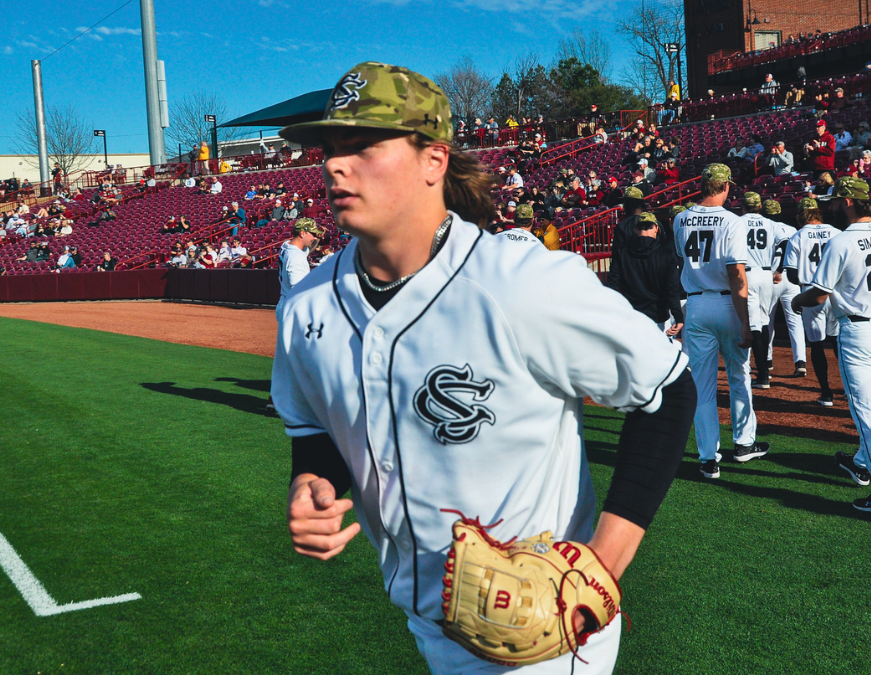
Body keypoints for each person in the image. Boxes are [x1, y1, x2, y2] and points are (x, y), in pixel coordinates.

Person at [273, 62, 695, 674]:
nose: (335, 165)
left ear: (433, 162)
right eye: (330, 149)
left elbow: (668, 387)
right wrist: (311, 484)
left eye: (363, 145)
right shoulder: (309, 305)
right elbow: (315, 426)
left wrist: (604, 561)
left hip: (543, 631)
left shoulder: (520, 284)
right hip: (424, 616)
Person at [792, 176, 871, 516]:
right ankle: (863, 462)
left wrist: (796, 302)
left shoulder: (843, 241)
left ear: (848, 202)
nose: (831, 205)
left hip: (859, 333)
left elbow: (818, 294)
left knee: (866, 413)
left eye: (835, 200)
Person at [674, 163, 768, 479]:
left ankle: (707, 458)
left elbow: (682, 259)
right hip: (728, 304)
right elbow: (736, 272)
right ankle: (743, 444)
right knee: (739, 374)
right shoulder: (732, 221)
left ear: (703, 185)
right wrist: (746, 321)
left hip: (697, 305)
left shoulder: (680, 218)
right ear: (725, 186)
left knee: (702, 383)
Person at [784, 195, 842, 405]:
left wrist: (803, 288)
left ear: (800, 215)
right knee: (837, 342)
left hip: (811, 291)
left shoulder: (798, 236)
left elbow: (791, 274)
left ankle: (826, 394)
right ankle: (848, 389)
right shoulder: (837, 233)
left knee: (817, 345)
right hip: (835, 291)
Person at [607, 211, 684, 340]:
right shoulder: (666, 253)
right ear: (656, 228)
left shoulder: (622, 253)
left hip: (631, 315)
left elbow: (612, 284)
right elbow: (672, 288)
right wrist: (678, 316)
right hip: (658, 315)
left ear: (636, 230)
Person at [741, 192, 790, 388]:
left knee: (754, 326)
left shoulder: (738, 222)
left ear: (743, 207)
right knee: (762, 323)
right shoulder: (771, 224)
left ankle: (762, 375)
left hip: (747, 274)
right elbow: (786, 243)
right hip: (766, 274)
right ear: (760, 207)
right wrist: (780, 269)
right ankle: (764, 372)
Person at [765, 198, 807, 377]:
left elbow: (783, 244)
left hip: (773, 276)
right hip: (791, 279)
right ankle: (800, 362)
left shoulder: (766, 226)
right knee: (795, 321)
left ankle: (767, 360)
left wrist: (778, 270)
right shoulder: (792, 229)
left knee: (768, 320)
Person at [277, 217, 321, 305]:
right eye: (313, 234)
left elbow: (306, 251)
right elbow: (297, 288)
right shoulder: (295, 256)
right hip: (293, 305)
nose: (315, 238)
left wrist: (318, 238)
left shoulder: (286, 245)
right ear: (302, 233)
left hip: (285, 300)